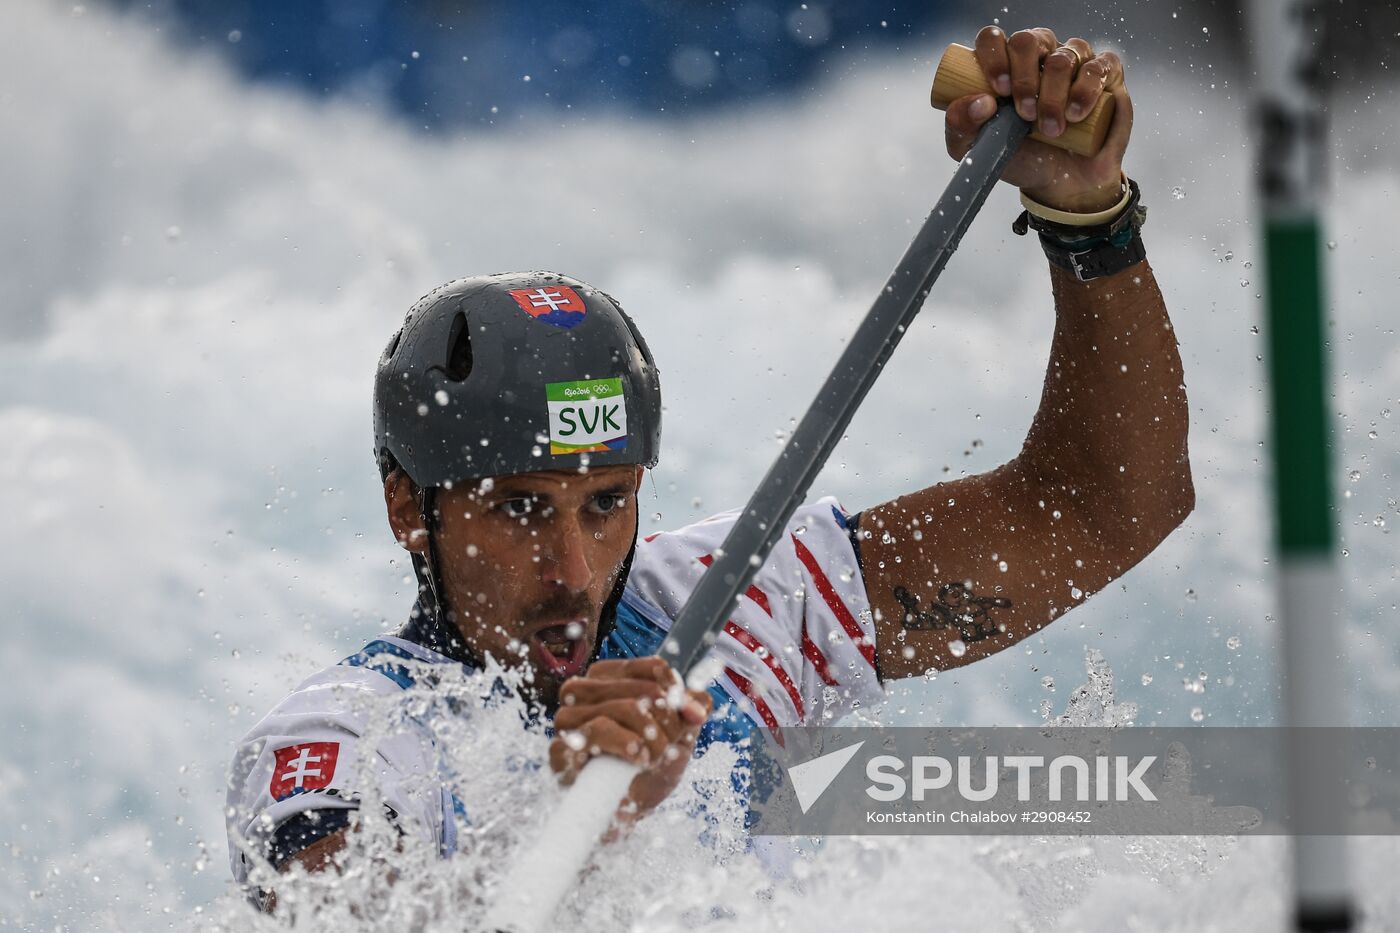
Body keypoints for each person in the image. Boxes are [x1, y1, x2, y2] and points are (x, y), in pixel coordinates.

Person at [225, 25, 1194, 908]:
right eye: (520, 510)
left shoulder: (746, 606)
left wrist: (1085, 222)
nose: (573, 571)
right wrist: (584, 825)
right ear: (408, 505)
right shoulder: (337, 751)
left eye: (605, 503)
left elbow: (1105, 509)